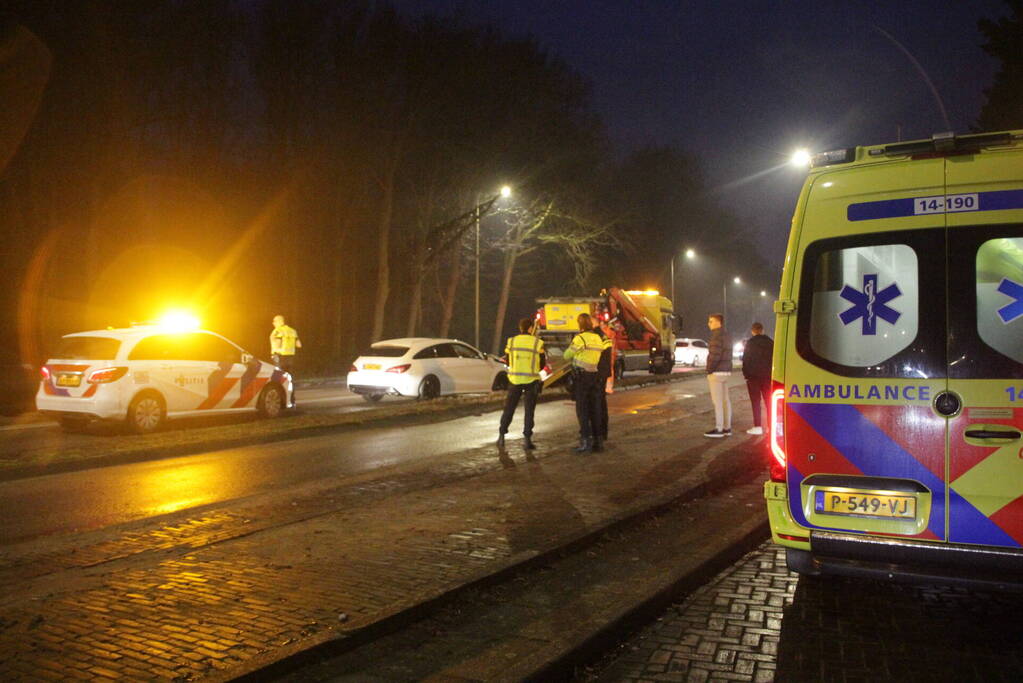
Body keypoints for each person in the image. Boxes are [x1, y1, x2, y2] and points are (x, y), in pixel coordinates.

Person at [497, 318, 546, 450]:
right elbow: (542, 364)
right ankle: (527, 440)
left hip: (514, 380)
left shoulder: (511, 341)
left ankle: (501, 436)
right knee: (529, 410)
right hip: (531, 381)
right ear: (530, 328)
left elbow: (508, 361)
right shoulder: (537, 343)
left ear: (520, 328)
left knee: (509, 408)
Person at [563, 312, 605, 452]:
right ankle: (598, 441)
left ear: (580, 324)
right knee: (595, 409)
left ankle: (585, 442)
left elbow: (566, 355)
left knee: (582, 410)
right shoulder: (598, 338)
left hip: (582, 378)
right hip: (594, 376)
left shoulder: (580, 338)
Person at [703, 313, 733, 438]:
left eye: (711, 321)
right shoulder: (727, 335)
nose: (708, 324)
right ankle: (727, 428)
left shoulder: (716, 336)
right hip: (726, 371)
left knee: (718, 402)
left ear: (717, 322)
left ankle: (719, 429)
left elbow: (714, 355)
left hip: (717, 372)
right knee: (726, 401)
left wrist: (709, 369)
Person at [742, 322, 774, 435]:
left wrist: (746, 375)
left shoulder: (750, 343)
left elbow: (745, 360)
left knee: (756, 403)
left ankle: (758, 426)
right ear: (763, 330)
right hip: (767, 378)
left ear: (753, 331)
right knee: (769, 402)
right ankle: (771, 427)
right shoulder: (771, 342)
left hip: (753, 378)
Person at [594, 318, 615, 441]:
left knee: (597, 404)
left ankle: (598, 433)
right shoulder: (605, 336)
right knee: (601, 403)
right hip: (603, 372)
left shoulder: (599, 336)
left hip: (597, 374)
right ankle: (603, 433)